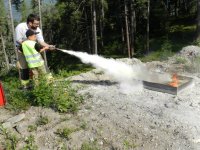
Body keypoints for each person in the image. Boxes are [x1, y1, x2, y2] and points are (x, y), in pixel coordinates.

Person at [15, 14, 54, 89]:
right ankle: (25, 86)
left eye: (38, 23)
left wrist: (49, 46)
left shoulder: (38, 30)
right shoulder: (20, 27)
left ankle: (50, 82)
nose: (38, 25)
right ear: (30, 23)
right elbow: (19, 40)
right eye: (36, 23)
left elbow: (41, 42)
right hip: (22, 48)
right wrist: (29, 46)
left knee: (41, 63)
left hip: (33, 48)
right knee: (24, 67)